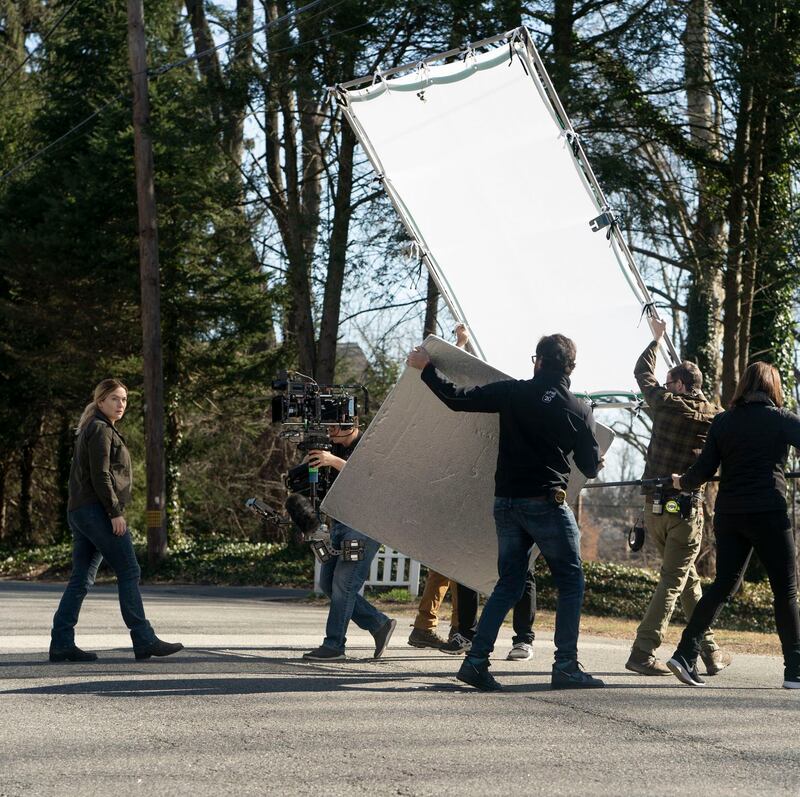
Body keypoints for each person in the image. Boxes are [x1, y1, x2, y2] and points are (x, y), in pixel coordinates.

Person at [406, 333, 603, 691]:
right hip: (547, 503)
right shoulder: (579, 409)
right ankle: (566, 666)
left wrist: (427, 369)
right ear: (570, 367)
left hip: (507, 503)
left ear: (538, 361)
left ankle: (476, 662)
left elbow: (457, 399)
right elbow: (589, 467)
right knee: (571, 581)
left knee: (509, 583)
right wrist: (595, 458)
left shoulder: (513, 392)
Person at [666, 362, 800, 689]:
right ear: (773, 388)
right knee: (786, 591)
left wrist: (681, 482)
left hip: (730, 515)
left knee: (724, 584)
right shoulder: (781, 420)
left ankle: (685, 652)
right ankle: (795, 670)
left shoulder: (723, 421)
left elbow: (702, 470)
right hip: (768, 511)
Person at [407, 324, 536, 659]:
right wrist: (460, 344)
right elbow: (462, 388)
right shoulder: (505, 395)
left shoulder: (520, 397)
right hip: (469, 486)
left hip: (501, 491)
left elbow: (469, 387)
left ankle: (468, 632)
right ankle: (455, 630)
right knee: (456, 559)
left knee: (494, 564)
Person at [625, 317, 731, 676]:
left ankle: (711, 651)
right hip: (686, 509)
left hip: (654, 508)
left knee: (684, 579)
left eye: (671, 381)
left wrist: (657, 340)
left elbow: (642, 373)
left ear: (682, 385)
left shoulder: (666, 403)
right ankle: (642, 651)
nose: (665, 385)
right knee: (677, 577)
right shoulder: (716, 417)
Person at [50, 379, 183, 662]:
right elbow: (101, 475)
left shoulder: (97, 427)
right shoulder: (99, 429)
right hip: (96, 511)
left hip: (82, 512)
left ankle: (61, 642)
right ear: (100, 402)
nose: (120, 404)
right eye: (114, 399)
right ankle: (143, 638)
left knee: (81, 579)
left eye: (123, 399)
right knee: (129, 570)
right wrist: (114, 512)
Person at [302, 420, 396, 661]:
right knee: (327, 583)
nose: (329, 433)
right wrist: (308, 466)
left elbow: (370, 478)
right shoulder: (331, 447)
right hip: (340, 524)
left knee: (344, 585)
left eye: (333, 428)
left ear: (350, 425)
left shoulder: (370, 444)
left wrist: (332, 460)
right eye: (327, 428)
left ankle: (334, 645)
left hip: (364, 525)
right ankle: (379, 623)